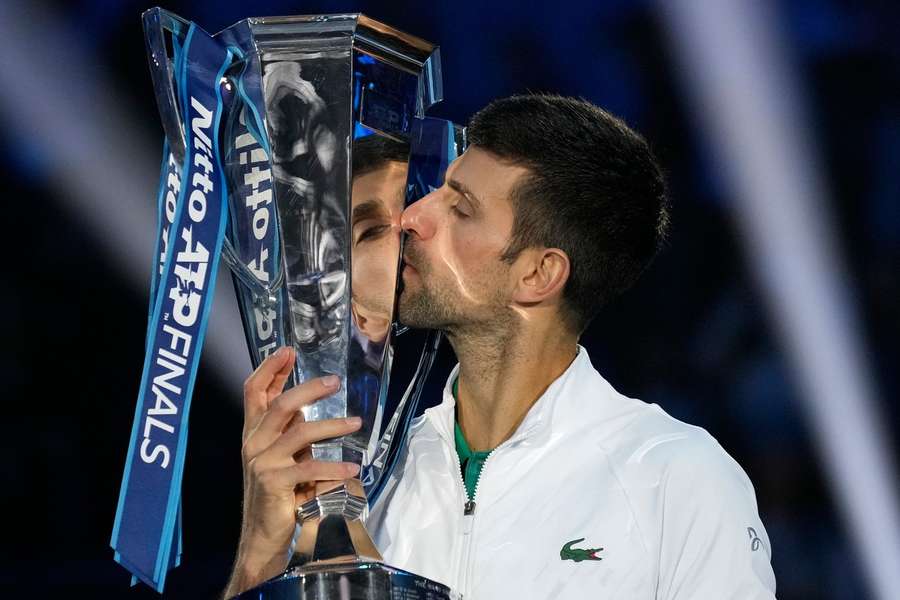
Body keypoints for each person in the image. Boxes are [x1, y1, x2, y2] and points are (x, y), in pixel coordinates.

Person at [224, 94, 777, 599]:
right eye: (438, 190)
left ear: (537, 274)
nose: (412, 218)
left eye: (459, 208)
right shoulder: (369, 478)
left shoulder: (676, 480)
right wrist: (261, 553)